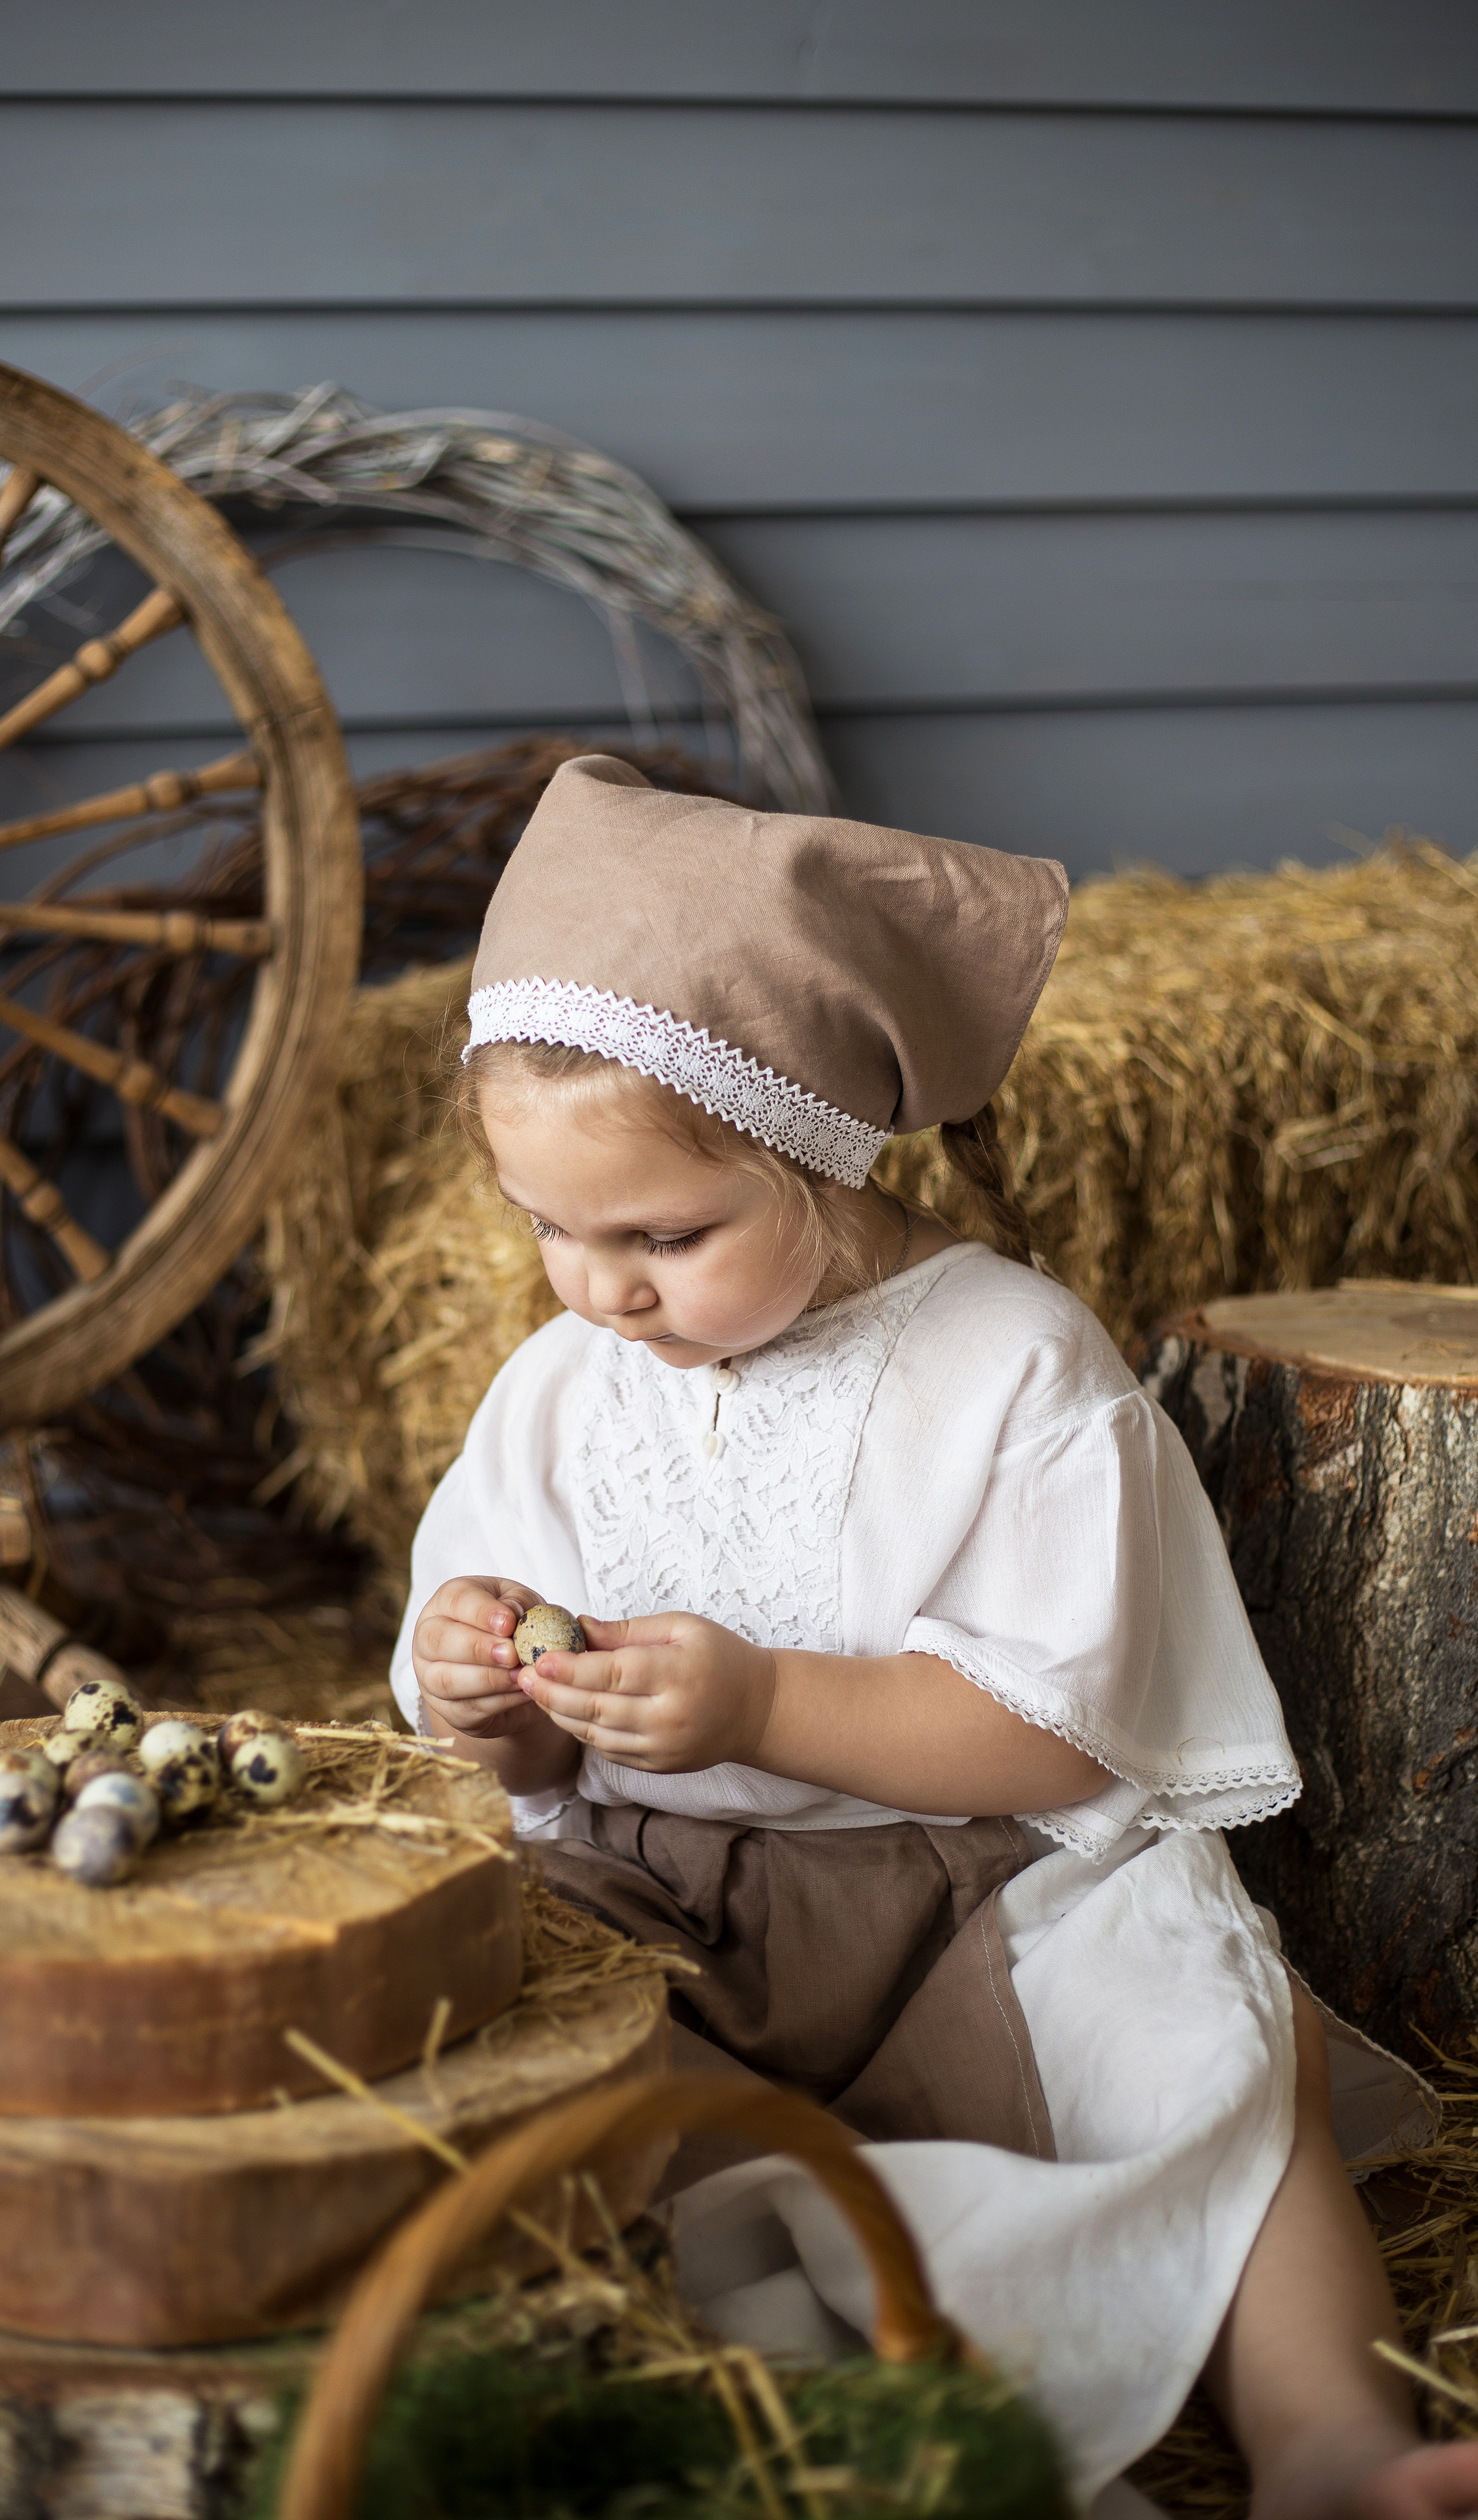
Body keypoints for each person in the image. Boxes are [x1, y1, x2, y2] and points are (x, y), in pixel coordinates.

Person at [390, 755, 1477, 2518]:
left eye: (663, 1233)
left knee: (1215, 2035)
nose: (601, 1289)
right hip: (659, 1904)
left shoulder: (1011, 1366)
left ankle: (1332, 2441)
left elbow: (1060, 1734)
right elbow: (513, 1756)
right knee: (488, 2039)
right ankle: (749, 2342)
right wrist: (489, 1691)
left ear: (820, 1157)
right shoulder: (563, 1388)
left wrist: (757, 1697)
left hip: (976, 1886)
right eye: (546, 1229)